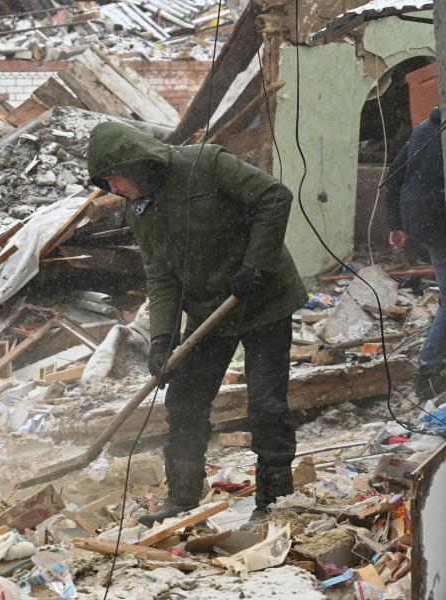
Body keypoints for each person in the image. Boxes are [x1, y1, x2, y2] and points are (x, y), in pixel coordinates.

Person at [86, 121, 306, 525]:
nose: (113, 190)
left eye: (114, 180)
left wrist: (255, 264)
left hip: (264, 298)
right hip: (210, 310)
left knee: (266, 404)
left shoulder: (206, 163)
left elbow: (274, 198)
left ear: (133, 165)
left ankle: (274, 503)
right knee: (185, 401)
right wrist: (162, 341)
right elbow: (162, 276)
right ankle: (182, 499)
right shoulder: (140, 210)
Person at [384, 107, 446, 400]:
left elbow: (393, 175)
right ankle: (427, 372)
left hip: (420, 221)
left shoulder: (424, 128)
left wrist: (396, 224)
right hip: (443, 222)